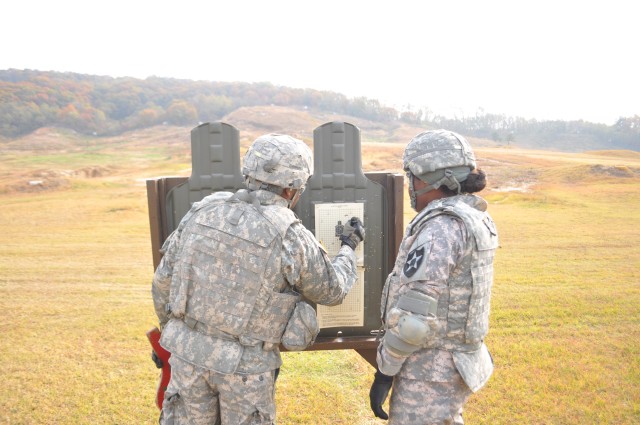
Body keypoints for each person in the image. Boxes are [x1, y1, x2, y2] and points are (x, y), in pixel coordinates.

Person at [152, 133, 365, 424]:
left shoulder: (203, 210)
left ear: (249, 173)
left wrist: (171, 337)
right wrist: (348, 248)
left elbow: (163, 281)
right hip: (246, 370)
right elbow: (332, 290)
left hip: (188, 358)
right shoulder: (290, 234)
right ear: (292, 189)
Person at [369, 129, 499, 424]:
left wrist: (385, 370)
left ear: (432, 177)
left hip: (429, 372)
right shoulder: (472, 216)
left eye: (412, 176)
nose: (410, 185)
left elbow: (415, 320)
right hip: (451, 365)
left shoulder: (441, 227)